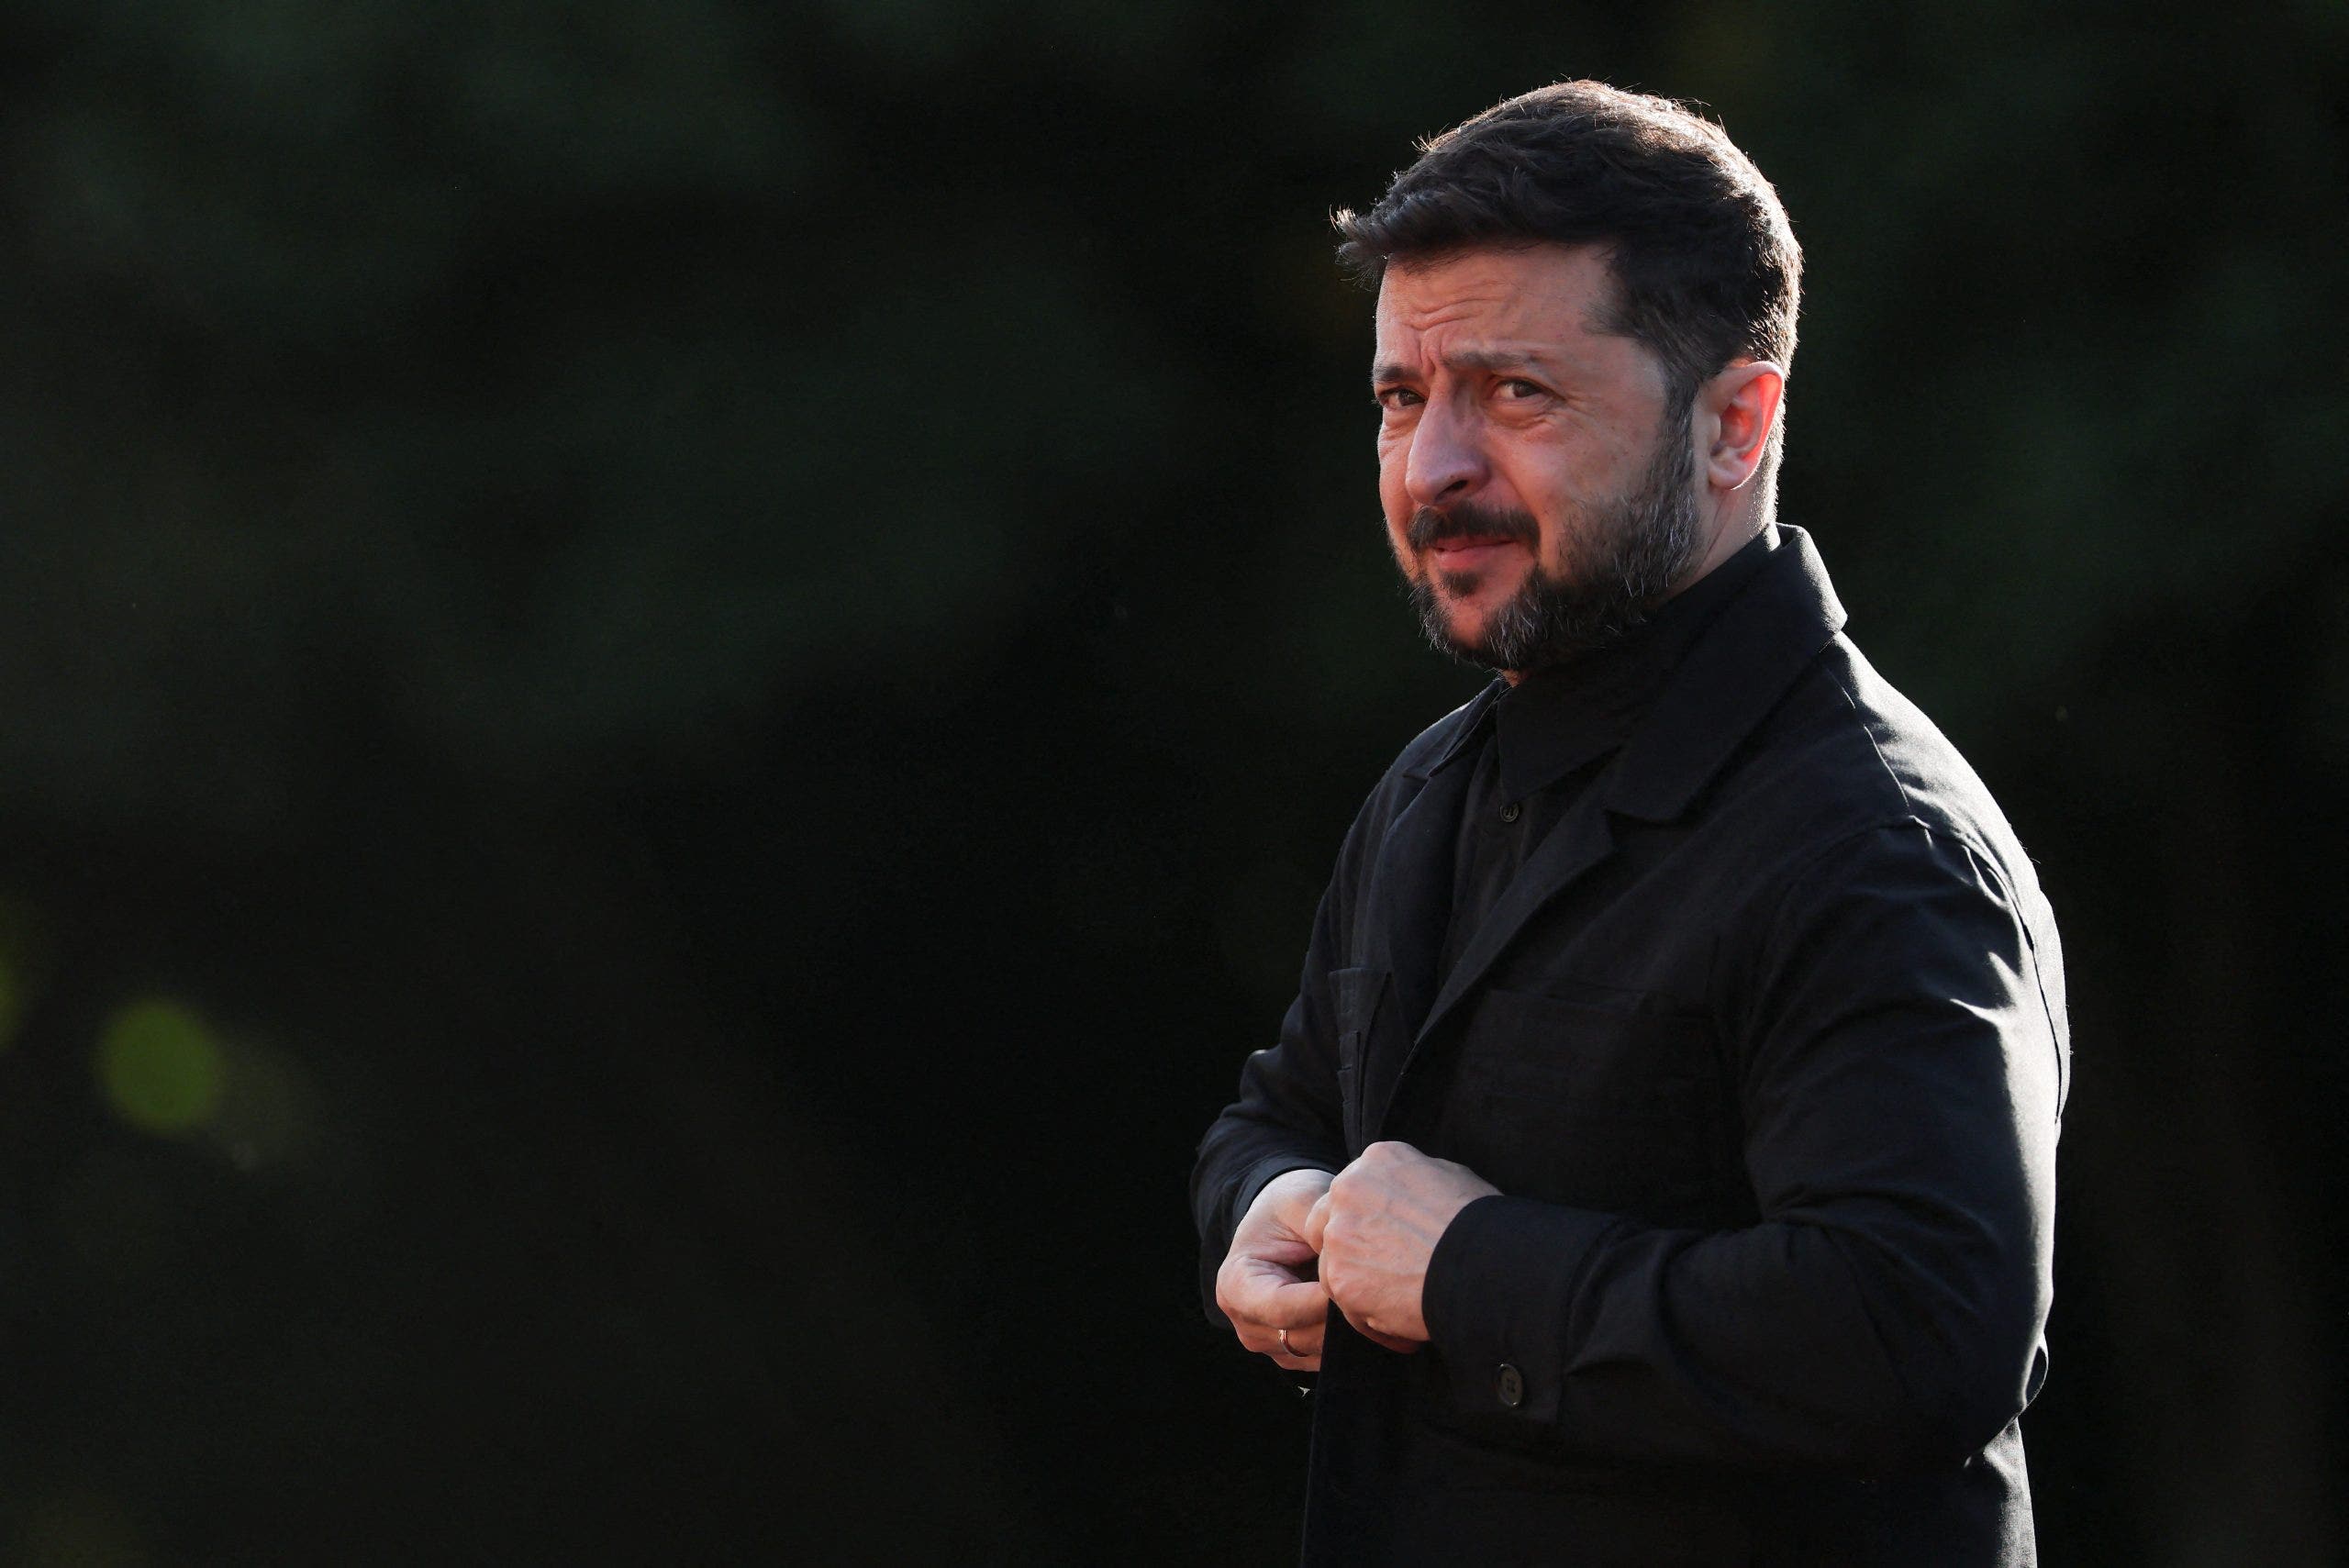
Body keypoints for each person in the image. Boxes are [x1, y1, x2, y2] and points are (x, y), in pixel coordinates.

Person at [1190, 81, 2068, 1566]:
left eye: (1514, 393)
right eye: (1403, 399)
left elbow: (1921, 1330)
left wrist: (1466, 1271)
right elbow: (1282, 1108)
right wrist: (1272, 1206)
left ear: (1735, 423)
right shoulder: (1428, 791)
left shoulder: (1878, 841)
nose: (1433, 467)